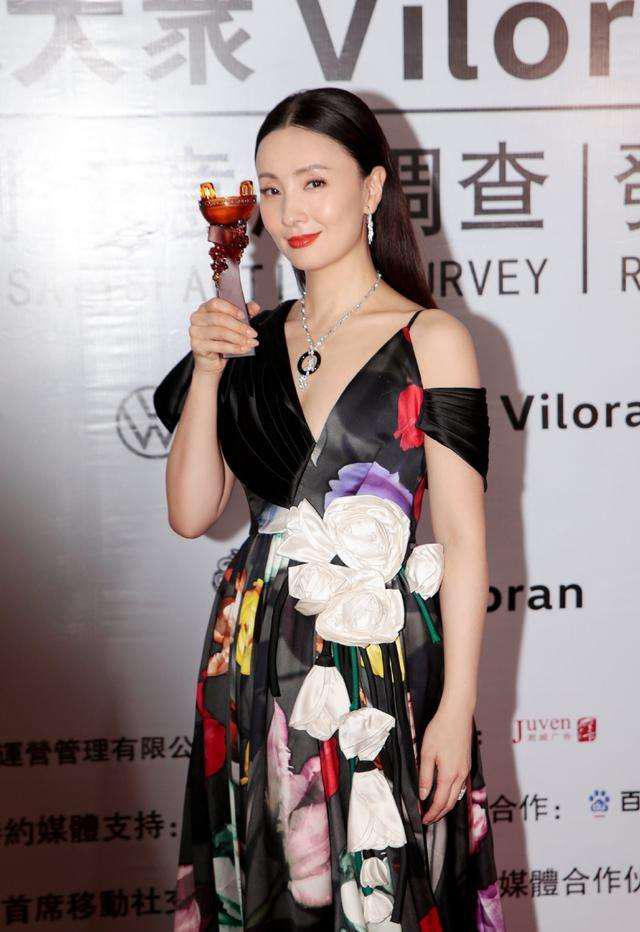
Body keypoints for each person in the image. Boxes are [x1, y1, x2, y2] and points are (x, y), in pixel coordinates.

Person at [154, 87, 506, 932]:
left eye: (314, 182)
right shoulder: (249, 339)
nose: (290, 212)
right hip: (250, 655)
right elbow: (193, 512)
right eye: (272, 190)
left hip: (378, 658)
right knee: (273, 876)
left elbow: (462, 539)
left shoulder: (433, 339)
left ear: (372, 187)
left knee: (377, 887)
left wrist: (456, 707)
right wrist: (209, 368)